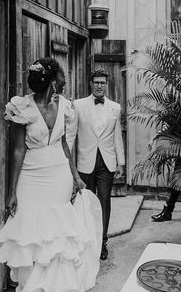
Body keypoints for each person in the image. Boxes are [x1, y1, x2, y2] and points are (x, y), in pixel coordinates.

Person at [0, 58, 102, 292]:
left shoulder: (64, 105)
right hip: (31, 176)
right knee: (31, 232)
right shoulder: (21, 107)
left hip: (58, 175)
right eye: (61, 75)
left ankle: (53, 286)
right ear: (53, 80)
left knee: (56, 234)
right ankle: (31, 284)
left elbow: (64, 145)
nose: (64, 80)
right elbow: (18, 150)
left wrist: (75, 176)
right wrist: (12, 191)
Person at [73, 69, 125, 261]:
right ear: (90, 83)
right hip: (85, 162)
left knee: (104, 202)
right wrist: (69, 165)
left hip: (107, 162)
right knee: (86, 203)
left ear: (107, 84)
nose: (99, 86)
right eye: (96, 82)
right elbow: (71, 136)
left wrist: (121, 162)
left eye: (102, 82)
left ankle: (102, 243)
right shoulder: (78, 105)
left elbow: (117, 136)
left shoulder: (115, 107)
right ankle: (87, 242)